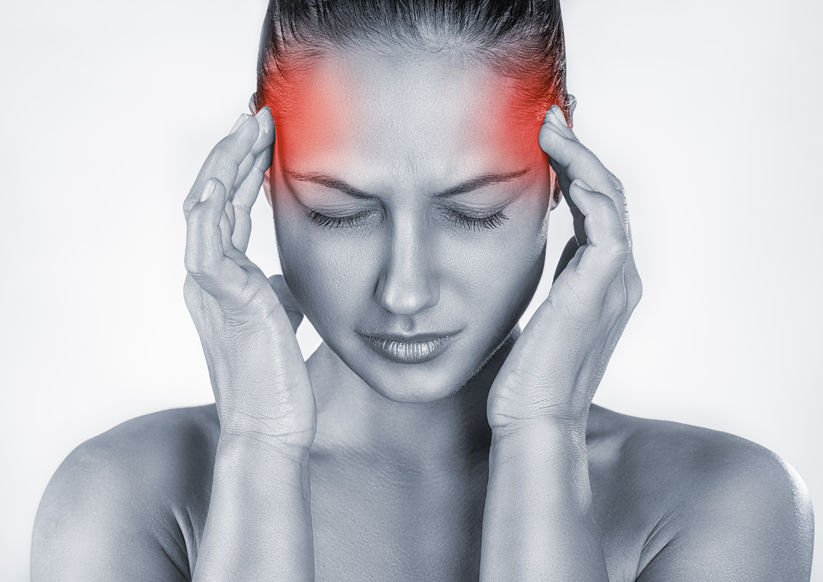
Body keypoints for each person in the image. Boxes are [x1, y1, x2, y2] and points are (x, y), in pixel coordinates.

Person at [30, 1, 814, 580]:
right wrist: (259, 446)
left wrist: (541, 433)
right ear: (257, 171)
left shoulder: (720, 504)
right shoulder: (123, 495)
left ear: (560, 169)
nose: (405, 290)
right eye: (339, 211)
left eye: (472, 212)